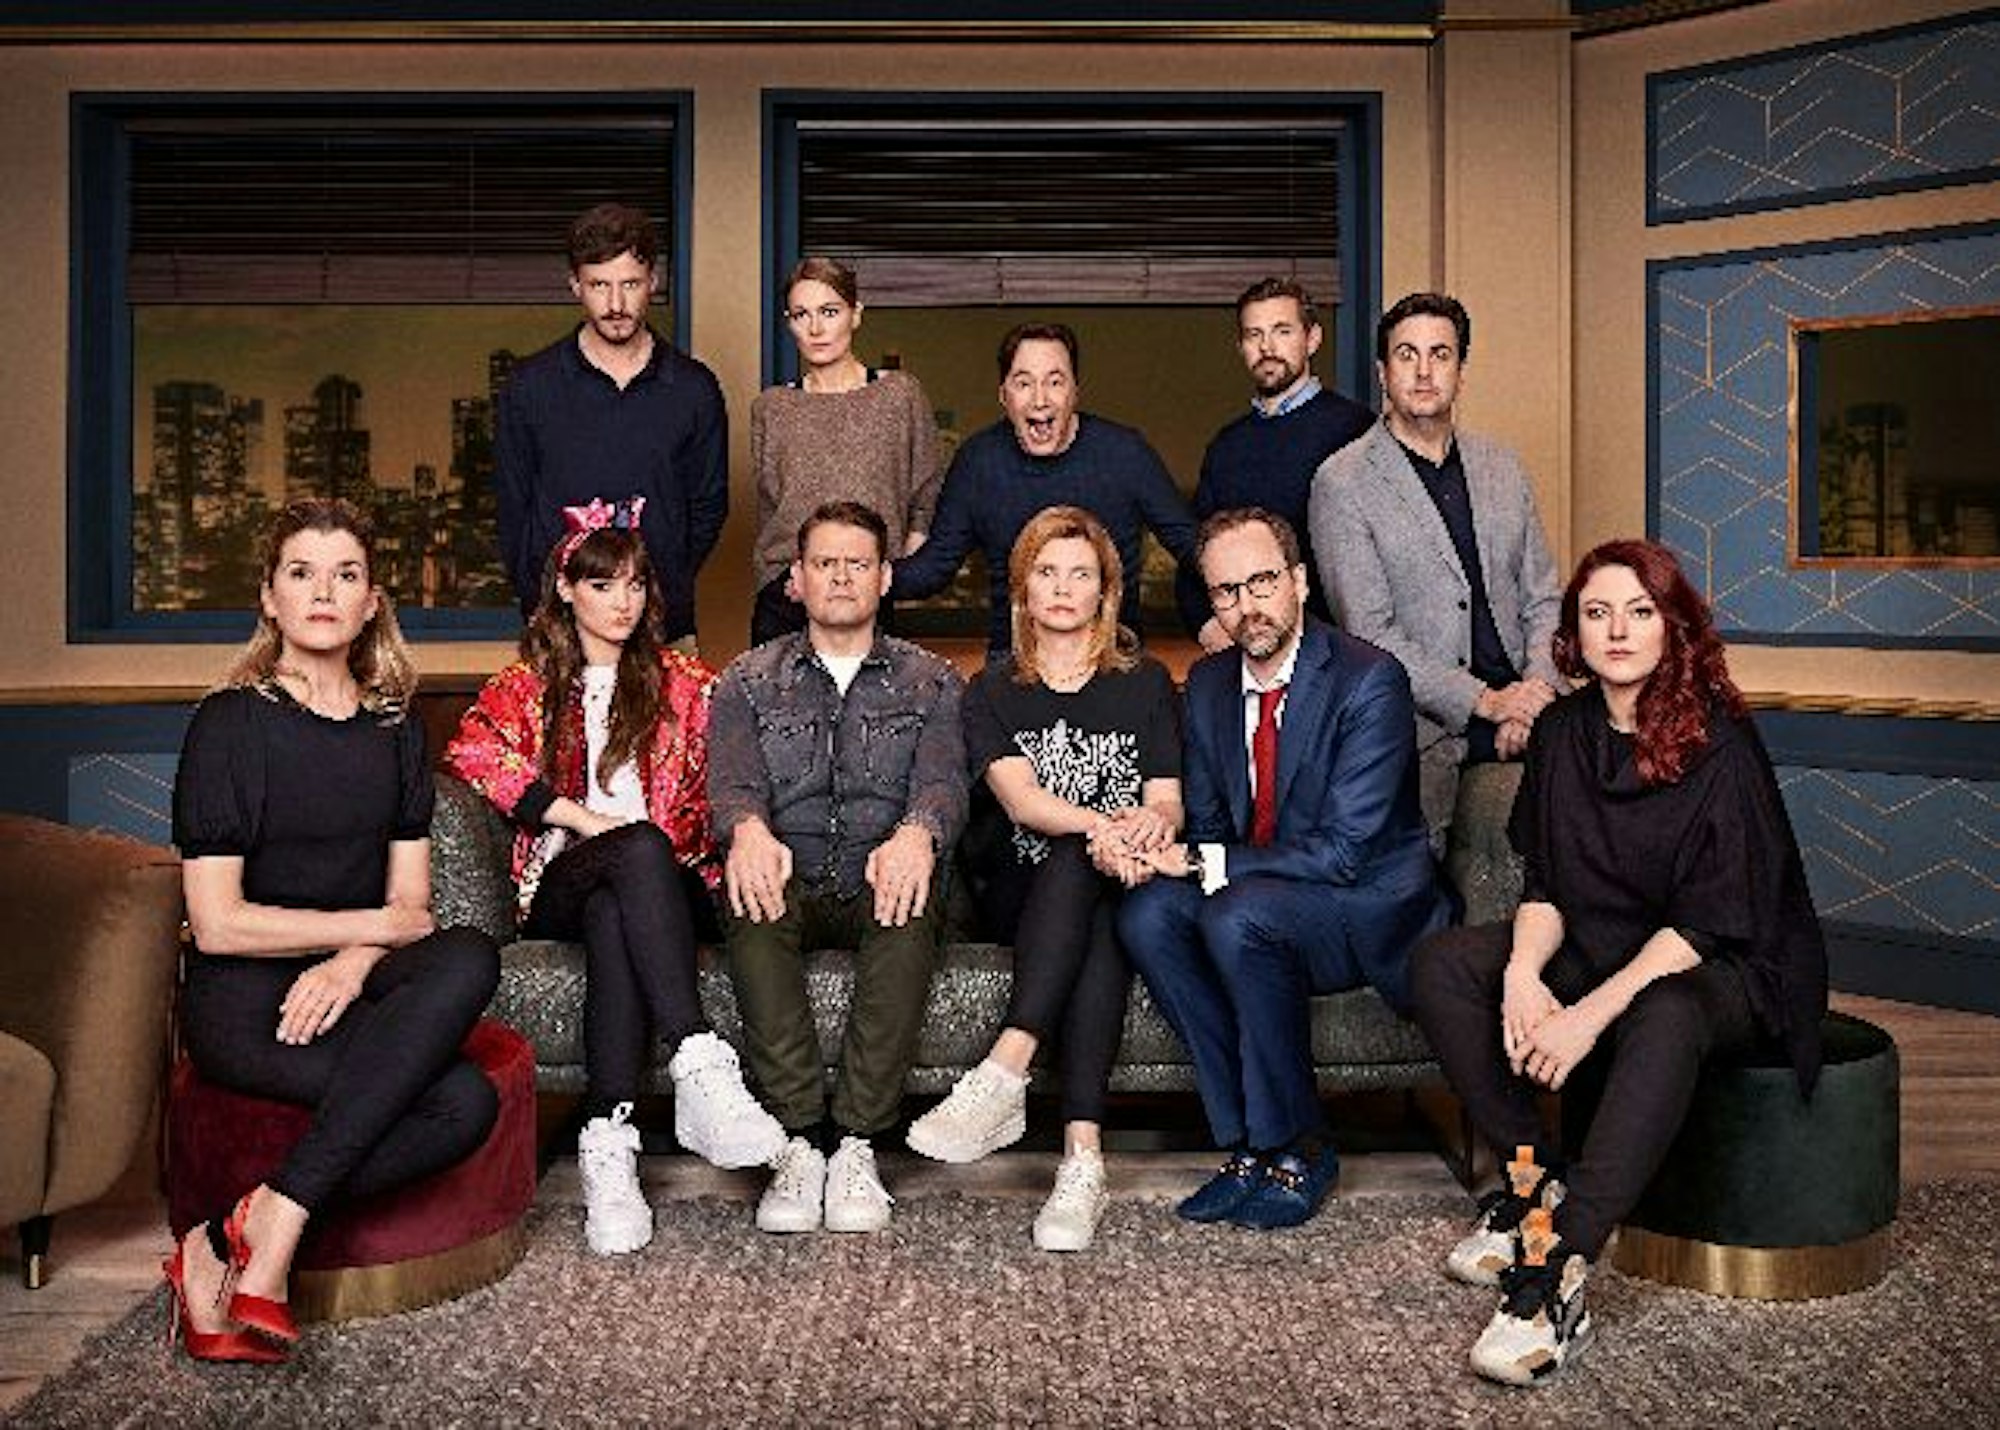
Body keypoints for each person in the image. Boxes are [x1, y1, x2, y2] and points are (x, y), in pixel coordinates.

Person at [1409, 538, 1829, 1387]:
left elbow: (1705, 926)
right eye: (1597, 613)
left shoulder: (1720, 742)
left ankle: (1558, 1272)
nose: (1619, 631)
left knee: (1665, 1011)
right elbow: (1547, 882)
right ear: (1574, 632)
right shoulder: (1564, 732)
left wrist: (1580, 1018)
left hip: (1727, 963)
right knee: (1447, 966)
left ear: (1674, 627)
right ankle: (1533, 1186)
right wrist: (1525, 978)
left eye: (1641, 612)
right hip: (1602, 940)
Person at [167, 499, 501, 1363]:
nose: (324, 591)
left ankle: (251, 1222)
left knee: (469, 957)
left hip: (349, 988)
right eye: (302, 573)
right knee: (455, 1096)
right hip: (245, 1006)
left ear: (371, 602)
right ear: (270, 599)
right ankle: (254, 1239)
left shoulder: (394, 732)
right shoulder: (229, 725)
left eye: (345, 574)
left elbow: (417, 911)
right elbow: (217, 925)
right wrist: (370, 930)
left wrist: (353, 962)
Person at [446, 496, 786, 1258]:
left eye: (635, 584)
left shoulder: (690, 684)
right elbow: (473, 756)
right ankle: (698, 1060)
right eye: (603, 585)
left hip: (676, 884)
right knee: (629, 853)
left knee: (621, 904)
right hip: (563, 880)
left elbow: (740, 772)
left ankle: (609, 1143)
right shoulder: (526, 687)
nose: (623, 601)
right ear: (566, 590)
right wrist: (574, 815)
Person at [1117, 507, 1453, 1231]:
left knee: (1240, 914)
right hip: (1258, 895)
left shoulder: (1369, 680)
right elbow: (1206, 826)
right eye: (1227, 592)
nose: (1248, 606)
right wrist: (1150, 851)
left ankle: (1298, 1147)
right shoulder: (1207, 684)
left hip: (1365, 908)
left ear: (1298, 581)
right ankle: (1243, 1143)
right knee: (1146, 914)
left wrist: (1206, 863)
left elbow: (1343, 852)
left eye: (1263, 581)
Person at [904, 506, 1183, 1253]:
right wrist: (1107, 831)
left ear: (1106, 592)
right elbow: (1023, 803)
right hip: (1021, 893)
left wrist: (1144, 830)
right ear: (1023, 590)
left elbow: (1167, 799)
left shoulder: (1148, 681)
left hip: (1118, 884)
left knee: (1096, 905)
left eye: (1081, 574)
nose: (1063, 588)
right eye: (1047, 572)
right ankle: (1073, 1145)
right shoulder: (991, 688)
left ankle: (1043, 1117)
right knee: (1070, 855)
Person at [708, 500, 969, 1235]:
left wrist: (919, 833)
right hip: (785, 871)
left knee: (913, 889)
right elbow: (731, 785)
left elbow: (944, 783)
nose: (842, 577)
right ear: (797, 578)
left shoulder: (934, 681)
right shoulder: (747, 680)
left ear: (885, 577)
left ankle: (855, 1141)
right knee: (749, 888)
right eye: (826, 563)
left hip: (880, 872)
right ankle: (797, 1139)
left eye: (858, 563)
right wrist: (747, 830)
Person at [1309, 292, 1563, 846]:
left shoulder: (1502, 466)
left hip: (1533, 716)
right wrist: (1487, 703)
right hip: (1423, 734)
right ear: (1382, 371)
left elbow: (1544, 598)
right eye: (1407, 355)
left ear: (1460, 371)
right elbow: (1370, 635)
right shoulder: (1343, 481)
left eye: (1440, 354)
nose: (1424, 372)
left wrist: (1534, 694)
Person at [496, 202, 727, 643]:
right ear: (575, 287)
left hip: (665, 626)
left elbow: (708, 508)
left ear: (653, 284)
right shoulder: (530, 386)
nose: (616, 304)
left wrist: (660, 582)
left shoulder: (694, 388)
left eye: (631, 285)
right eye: (600, 285)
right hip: (557, 628)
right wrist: (542, 601)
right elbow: (512, 510)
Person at [891, 321, 1197, 650]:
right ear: (1003, 395)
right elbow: (936, 567)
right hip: (1014, 668)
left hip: (1114, 666)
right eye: (1024, 383)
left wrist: (1238, 595)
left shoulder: (1126, 453)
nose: (1040, 399)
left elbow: (1190, 546)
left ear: (1074, 391)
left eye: (1055, 382)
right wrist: (856, 578)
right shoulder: (978, 461)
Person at [749, 255, 942, 645]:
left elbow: (927, 494)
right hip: (787, 600)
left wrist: (893, 575)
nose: (816, 328)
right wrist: (782, 578)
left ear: (855, 315)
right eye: (802, 315)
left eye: (830, 311)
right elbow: (772, 513)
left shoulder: (898, 394)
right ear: (790, 324)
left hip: (872, 593)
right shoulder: (772, 407)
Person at [1178, 277, 1373, 650]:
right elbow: (1198, 554)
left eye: (1282, 331)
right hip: (1248, 647)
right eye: (1254, 335)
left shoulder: (1356, 430)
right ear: (1241, 347)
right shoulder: (1226, 446)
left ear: (1312, 338)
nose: (1267, 347)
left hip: (1334, 655)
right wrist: (1207, 625)